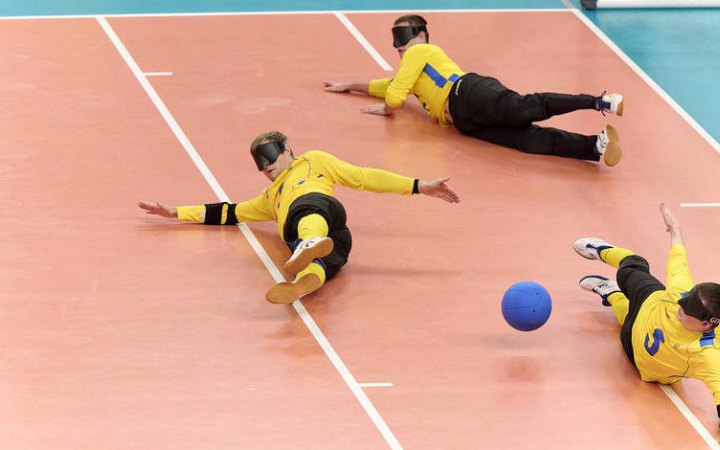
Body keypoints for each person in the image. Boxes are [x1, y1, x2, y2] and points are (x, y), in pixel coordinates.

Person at [138, 130, 460, 304]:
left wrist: (419, 186)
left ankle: (308, 244)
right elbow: (229, 212)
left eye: (270, 157)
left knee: (308, 214)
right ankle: (303, 285)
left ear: (288, 149)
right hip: (332, 238)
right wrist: (177, 212)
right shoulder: (270, 198)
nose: (267, 167)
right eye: (261, 164)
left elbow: (364, 177)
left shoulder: (314, 161)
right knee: (319, 265)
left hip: (324, 211)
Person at [323, 14, 624, 166]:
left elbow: (393, 97)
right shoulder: (410, 74)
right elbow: (385, 87)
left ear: (422, 35)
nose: (399, 45)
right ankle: (594, 146)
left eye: (404, 36)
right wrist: (348, 86)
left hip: (467, 92)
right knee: (530, 141)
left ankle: (599, 101)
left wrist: (388, 108)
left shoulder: (420, 51)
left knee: (526, 108)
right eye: (396, 39)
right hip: (465, 122)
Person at [574, 203, 720, 418]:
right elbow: (678, 257)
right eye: (684, 300)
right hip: (650, 300)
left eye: (686, 309)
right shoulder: (680, 291)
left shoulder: (707, 355)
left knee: (625, 316)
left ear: (705, 324)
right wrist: (675, 230)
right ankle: (602, 250)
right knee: (633, 265)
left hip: (638, 352)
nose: (680, 305)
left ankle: (610, 292)